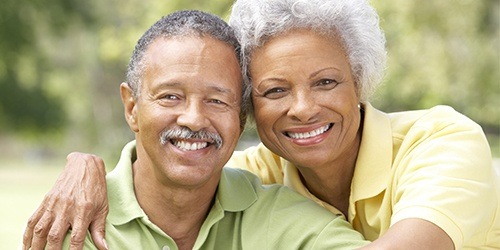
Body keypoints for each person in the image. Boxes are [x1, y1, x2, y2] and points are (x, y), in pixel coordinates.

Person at [24, 0, 500, 249]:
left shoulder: (440, 141)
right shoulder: (255, 173)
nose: (302, 108)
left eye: (326, 82)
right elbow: (176, 163)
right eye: (275, 90)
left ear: (361, 83)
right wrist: (84, 166)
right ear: (250, 110)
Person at [23, 9, 371, 250]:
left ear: (242, 118)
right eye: (171, 96)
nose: (193, 119)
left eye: (217, 101)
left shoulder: (288, 222)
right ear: (132, 107)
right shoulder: (71, 222)